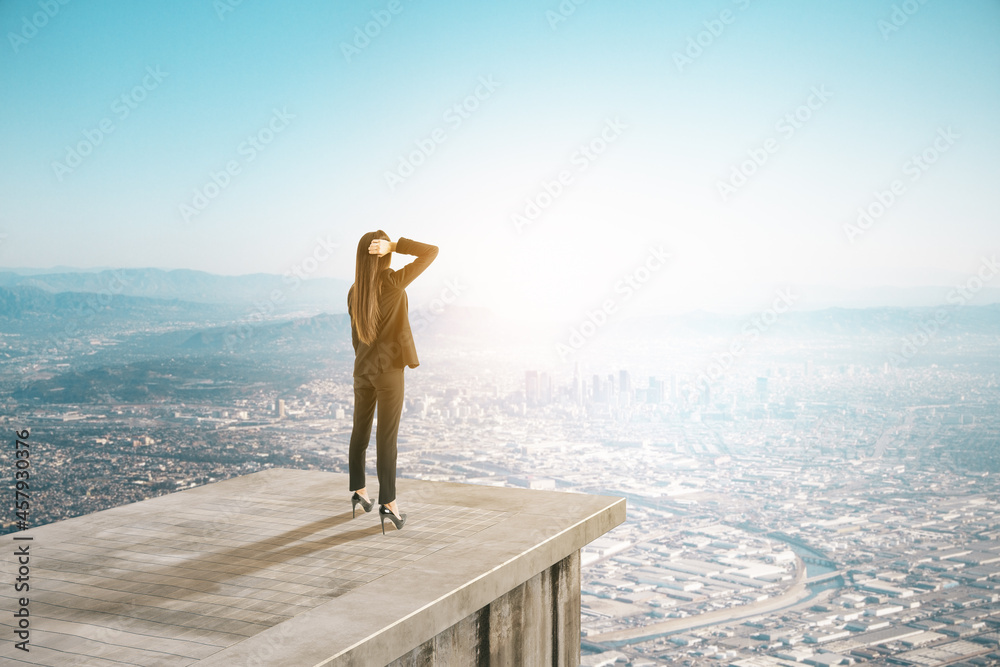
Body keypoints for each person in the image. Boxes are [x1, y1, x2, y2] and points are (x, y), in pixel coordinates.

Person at [347, 231, 438, 533]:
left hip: (363, 369)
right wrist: (396, 246)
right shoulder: (393, 282)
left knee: (360, 432)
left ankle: (359, 493)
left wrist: (366, 362)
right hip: (388, 372)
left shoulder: (354, 291)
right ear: (383, 254)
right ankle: (389, 505)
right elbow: (431, 251)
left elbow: (355, 339)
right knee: (387, 439)